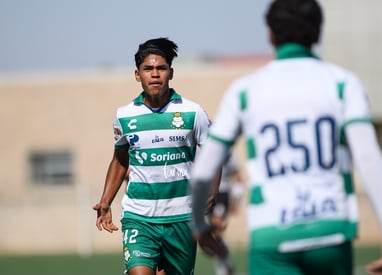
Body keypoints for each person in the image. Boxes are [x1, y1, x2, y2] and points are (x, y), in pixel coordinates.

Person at [189, 1, 382, 275]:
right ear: (317, 33)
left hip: (271, 237)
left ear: (270, 34)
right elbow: (368, 158)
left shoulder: (244, 91)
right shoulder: (343, 83)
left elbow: (203, 171)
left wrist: (198, 224)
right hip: (331, 231)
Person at [93, 37, 218, 275]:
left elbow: (214, 152)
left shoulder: (193, 112)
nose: (155, 74)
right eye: (148, 69)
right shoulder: (124, 116)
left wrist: (213, 191)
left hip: (182, 217)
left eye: (161, 68)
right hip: (139, 216)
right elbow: (120, 160)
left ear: (171, 73)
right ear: (137, 75)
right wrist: (106, 201)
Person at [209, 152, 245, 275]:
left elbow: (237, 177)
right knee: (212, 233)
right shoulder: (202, 149)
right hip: (206, 194)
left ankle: (222, 267)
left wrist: (237, 200)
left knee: (218, 229)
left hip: (221, 194)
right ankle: (226, 262)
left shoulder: (227, 152)